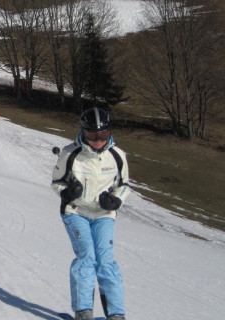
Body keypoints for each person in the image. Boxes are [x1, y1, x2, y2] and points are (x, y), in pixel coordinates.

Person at [51, 107, 130, 320]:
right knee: (87, 257)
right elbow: (57, 182)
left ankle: (116, 314)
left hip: (104, 215)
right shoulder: (70, 154)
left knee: (105, 261)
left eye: (103, 135)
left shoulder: (117, 156)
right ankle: (83, 311)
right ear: (84, 132)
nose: (98, 140)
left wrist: (116, 200)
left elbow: (123, 185)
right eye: (93, 135)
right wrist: (67, 192)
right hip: (76, 212)